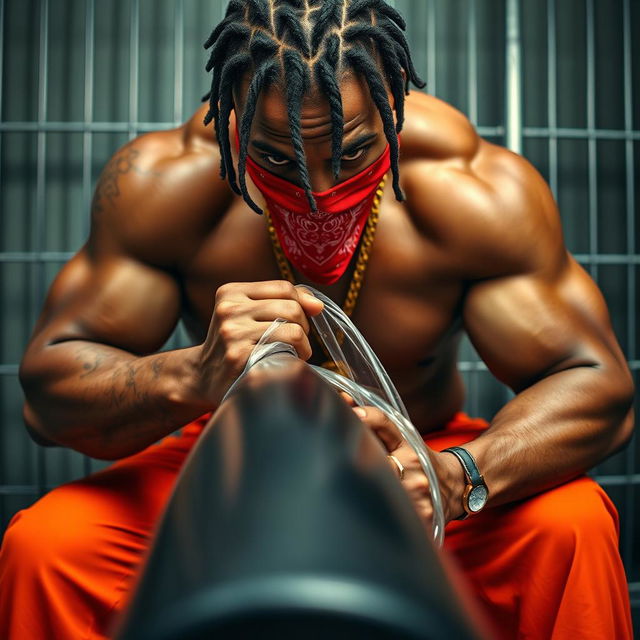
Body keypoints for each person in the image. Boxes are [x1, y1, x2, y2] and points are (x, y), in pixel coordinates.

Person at [0, 1, 634, 638]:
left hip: (420, 456)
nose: (316, 192)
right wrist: (194, 373)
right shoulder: (165, 186)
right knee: (49, 546)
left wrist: (458, 474)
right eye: (278, 160)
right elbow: (48, 400)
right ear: (230, 120)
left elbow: (599, 385)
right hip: (232, 460)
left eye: (353, 152)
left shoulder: (474, 190)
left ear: (393, 103)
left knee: (571, 524)